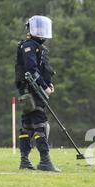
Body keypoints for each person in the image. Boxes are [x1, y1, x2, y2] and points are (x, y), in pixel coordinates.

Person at [15, 15, 60, 172]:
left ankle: (24, 161)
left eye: (42, 27)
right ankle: (45, 161)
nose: (41, 31)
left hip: (35, 90)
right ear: (31, 29)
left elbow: (41, 70)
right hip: (31, 92)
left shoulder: (38, 47)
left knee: (27, 126)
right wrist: (44, 87)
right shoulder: (28, 46)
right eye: (38, 27)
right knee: (41, 124)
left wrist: (48, 84)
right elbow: (31, 69)